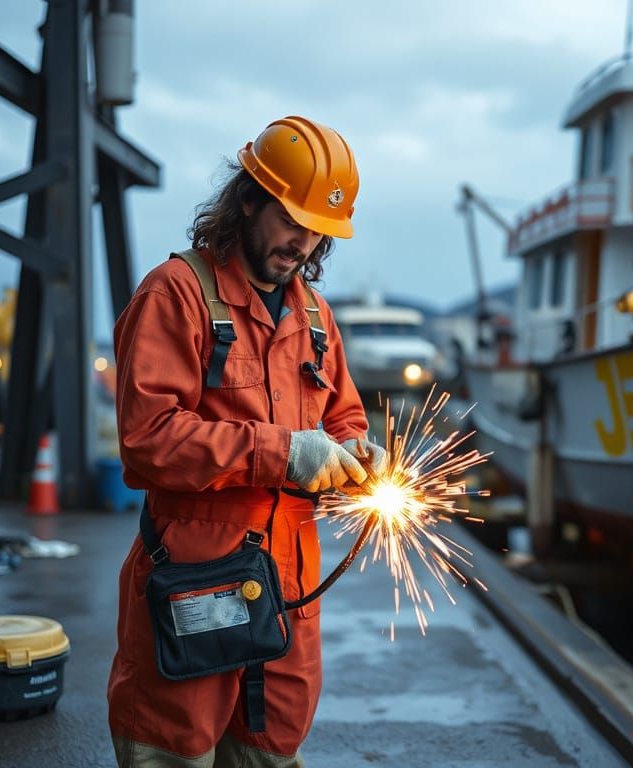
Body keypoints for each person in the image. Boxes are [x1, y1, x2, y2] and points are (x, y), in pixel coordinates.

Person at [107, 116, 386, 767]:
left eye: (319, 229)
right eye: (294, 219)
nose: (305, 240)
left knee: (270, 749)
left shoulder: (315, 315)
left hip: (290, 584)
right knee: (172, 747)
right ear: (250, 197)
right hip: (195, 577)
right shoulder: (177, 295)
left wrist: (356, 453)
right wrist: (284, 453)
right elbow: (146, 439)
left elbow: (344, 418)